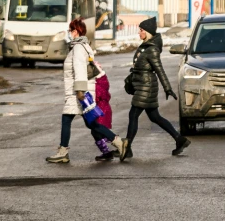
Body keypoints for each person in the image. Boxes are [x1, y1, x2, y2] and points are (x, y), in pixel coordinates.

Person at [46, 19, 126, 164]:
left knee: (66, 120)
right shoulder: (83, 46)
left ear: (76, 31)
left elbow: (80, 70)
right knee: (92, 123)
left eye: (70, 30)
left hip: (78, 92)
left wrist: (80, 91)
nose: (69, 33)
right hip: (80, 90)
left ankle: (63, 152)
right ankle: (118, 142)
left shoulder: (78, 48)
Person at [121, 17, 190, 160]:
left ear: (147, 32)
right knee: (155, 117)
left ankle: (127, 148)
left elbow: (159, 70)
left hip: (146, 87)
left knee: (133, 115)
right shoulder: (145, 46)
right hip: (143, 85)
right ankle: (179, 139)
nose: (139, 33)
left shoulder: (151, 49)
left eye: (141, 30)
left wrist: (168, 88)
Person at [91, 59, 118, 161]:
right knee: (96, 131)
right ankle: (107, 151)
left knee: (98, 131)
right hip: (102, 109)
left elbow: (97, 95)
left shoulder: (98, 83)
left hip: (101, 111)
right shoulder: (103, 80)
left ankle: (115, 145)